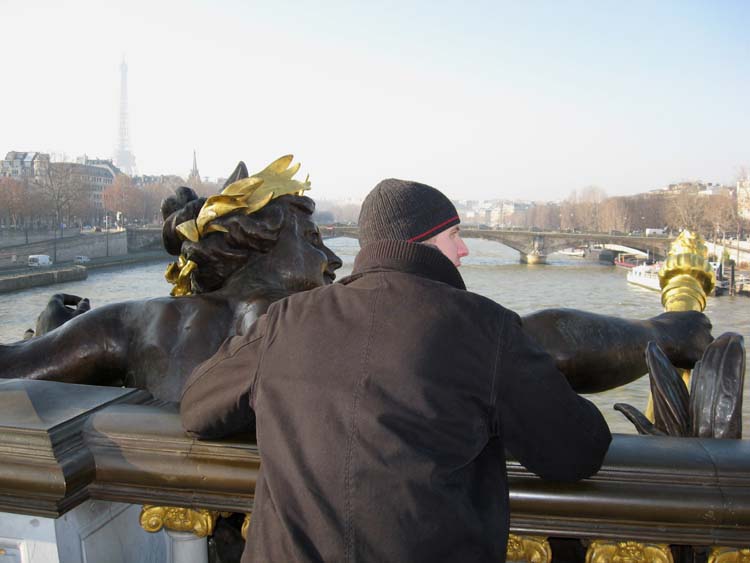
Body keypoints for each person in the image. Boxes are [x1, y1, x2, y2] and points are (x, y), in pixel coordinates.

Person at [180, 178, 615, 562]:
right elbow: (577, 451)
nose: (463, 249)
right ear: (420, 240)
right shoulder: (488, 327)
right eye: (454, 235)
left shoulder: (285, 320)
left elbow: (198, 407)